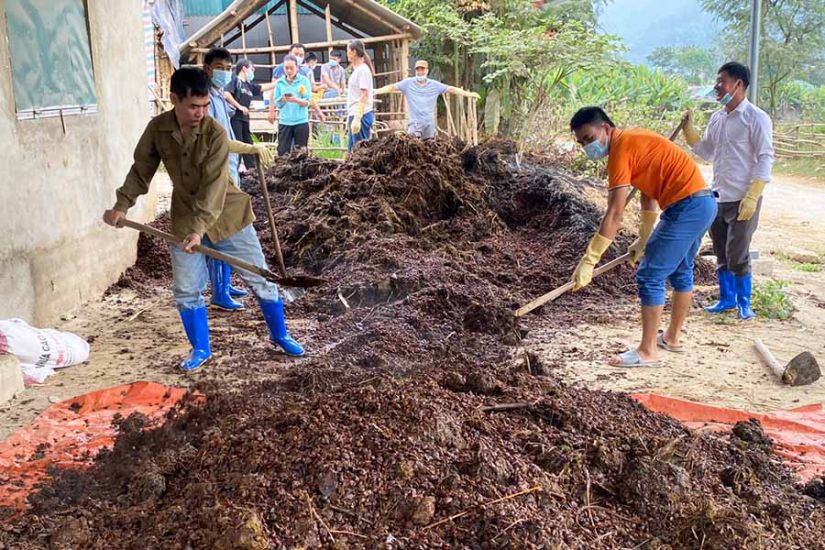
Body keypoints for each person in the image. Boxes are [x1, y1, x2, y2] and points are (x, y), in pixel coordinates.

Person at [102, 67, 305, 372]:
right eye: (193, 106)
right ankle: (200, 349)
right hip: (185, 217)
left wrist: (199, 230)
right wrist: (122, 205)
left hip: (227, 216)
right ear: (174, 99)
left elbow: (213, 190)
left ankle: (281, 335)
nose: (200, 112)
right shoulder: (157, 130)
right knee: (186, 290)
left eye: (205, 105)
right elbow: (141, 170)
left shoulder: (215, 134)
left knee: (261, 279)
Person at [569, 106, 717, 368]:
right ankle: (671, 338)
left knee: (650, 275)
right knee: (681, 270)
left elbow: (614, 214)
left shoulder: (621, 149)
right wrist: (643, 238)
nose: (587, 147)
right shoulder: (633, 141)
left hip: (687, 206)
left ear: (605, 128)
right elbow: (648, 195)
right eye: (582, 143)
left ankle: (647, 351)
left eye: (589, 139)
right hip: (700, 204)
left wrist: (590, 259)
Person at [683, 62, 775, 320]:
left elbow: (766, 156)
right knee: (721, 252)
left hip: (744, 198)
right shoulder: (718, 118)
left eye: (722, 81)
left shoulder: (756, 117)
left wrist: (753, 194)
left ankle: (745, 303)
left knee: (738, 253)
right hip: (719, 197)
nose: (716, 86)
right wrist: (691, 133)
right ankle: (727, 300)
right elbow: (708, 152)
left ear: (738, 84)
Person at [203, 47, 273, 312]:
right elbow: (218, 141)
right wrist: (248, 148)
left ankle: (226, 284)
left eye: (227, 67)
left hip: (230, 169)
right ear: (208, 68)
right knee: (223, 231)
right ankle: (219, 291)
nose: (224, 72)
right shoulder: (205, 100)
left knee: (228, 227)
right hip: (217, 173)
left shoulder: (220, 95)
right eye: (219, 67)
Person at [374, 59, 480, 139]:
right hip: (415, 123)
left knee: (430, 149)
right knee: (412, 148)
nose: (420, 72)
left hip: (429, 123)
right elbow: (392, 87)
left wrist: (468, 94)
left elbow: (451, 89)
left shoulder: (435, 85)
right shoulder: (408, 83)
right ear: (415, 71)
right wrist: (377, 91)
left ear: (427, 71)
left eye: (422, 69)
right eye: (418, 70)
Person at [227, 58, 276, 171]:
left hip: (245, 119)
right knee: (237, 146)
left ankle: (252, 172)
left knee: (248, 144)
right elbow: (227, 94)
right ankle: (233, 172)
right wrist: (239, 106)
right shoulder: (234, 81)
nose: (253, 72)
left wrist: (278, 82)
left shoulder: (248, 85)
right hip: (235, 118)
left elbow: (262, 88)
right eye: (252, 69)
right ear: (244, 69)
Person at [273, 55, 312, 156]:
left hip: (301, 121)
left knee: (301, 153)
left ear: (297, 68)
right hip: (285, 121)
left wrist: (296, 100)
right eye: (286, 68)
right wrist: (282, 99)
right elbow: (277, 103)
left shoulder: (304, 81)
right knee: (282, 152)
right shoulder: (280, 83)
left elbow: (307, 102)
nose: (289, 71)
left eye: (291, 68)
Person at [346, 39, 375, 151]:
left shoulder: (363, 70)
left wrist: (357, 117)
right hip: (354, 113)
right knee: (352, 151)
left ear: (353, 52)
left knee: (360, 151)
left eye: (348, 50)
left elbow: (364, 95)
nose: (347, 53)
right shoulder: (356, 70)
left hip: (361, 114)